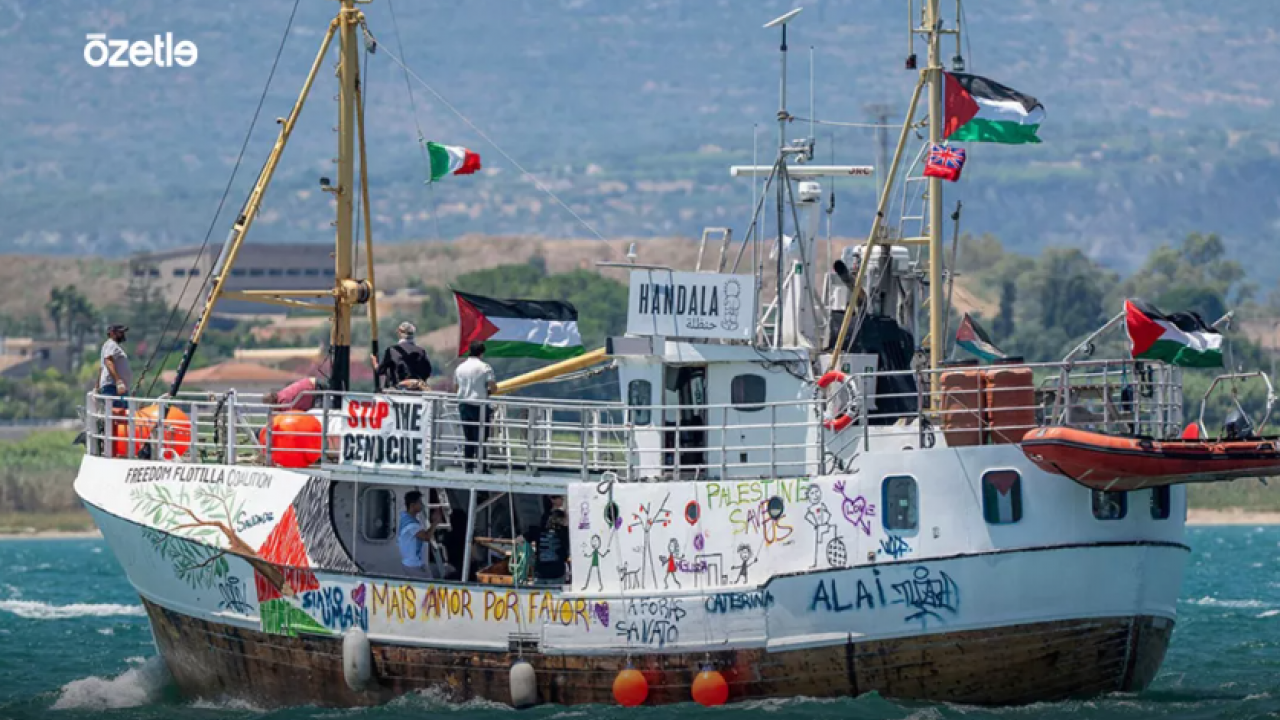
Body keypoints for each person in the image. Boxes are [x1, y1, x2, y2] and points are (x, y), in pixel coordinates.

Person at [454, 340, 497, 473]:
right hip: (480, 405)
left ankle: (468, 467)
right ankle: (482, 467)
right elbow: (493, 387)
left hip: (464, 404)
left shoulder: (460, 368)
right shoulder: (485, 367)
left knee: (469, 437)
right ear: (481, 353)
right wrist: (488, 392)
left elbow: (456, 387)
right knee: (481, 438)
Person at [372, 321, 433, 391]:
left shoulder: (392, 351)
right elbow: (427, 371)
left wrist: (374, 362)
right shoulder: (421, 351)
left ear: (399, 333)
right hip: (417, 391)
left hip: (397, 391)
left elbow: (380, 370)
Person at [398, 491, 443, 578]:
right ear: (412, 505)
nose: (422, 505)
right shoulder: (410, 523)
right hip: (413, 565)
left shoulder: (408, 518)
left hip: (416, 563)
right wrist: (435, 522)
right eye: (419, 502)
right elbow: (426, 537)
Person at [98, 324, 132, 409]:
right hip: (114, 387)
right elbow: (108, 362)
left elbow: (102, 368)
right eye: (120, 332)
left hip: (116, 388)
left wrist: (96, 386)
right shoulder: (111, 344)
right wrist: (118, 381)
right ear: (112, 333)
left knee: (119, 416)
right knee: (118, 415)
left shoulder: (108, 345)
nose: (123, 334)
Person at [533, 509, 570, 585]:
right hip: (556, 573)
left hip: (540, 572)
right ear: (561, 520)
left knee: (540, 596)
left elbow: (522, 539)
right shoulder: (564, 532)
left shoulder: (538, 531)